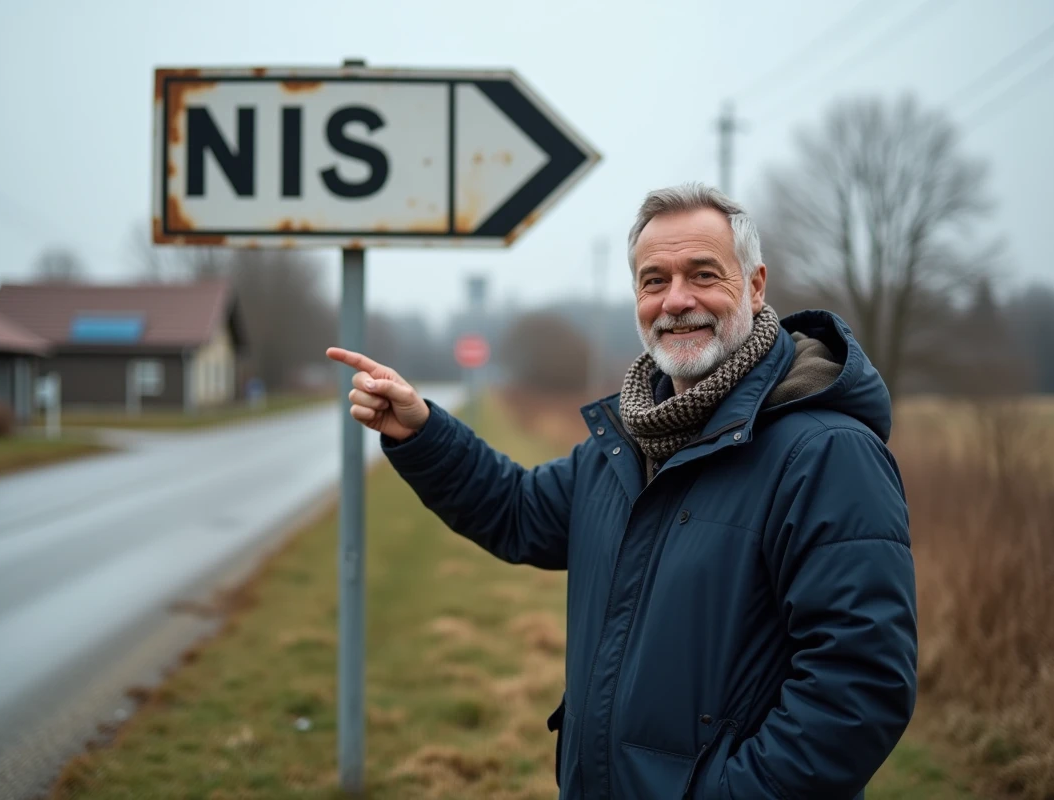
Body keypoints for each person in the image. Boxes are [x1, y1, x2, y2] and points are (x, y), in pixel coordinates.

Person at [327, 183, 917, 799]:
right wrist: (423, 431)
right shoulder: (630, 443)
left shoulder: (825, 452)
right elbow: (518, 511)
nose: (676, 300)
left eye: (703, 274)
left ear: (756, 284)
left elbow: (858, 687)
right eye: (653, 280)